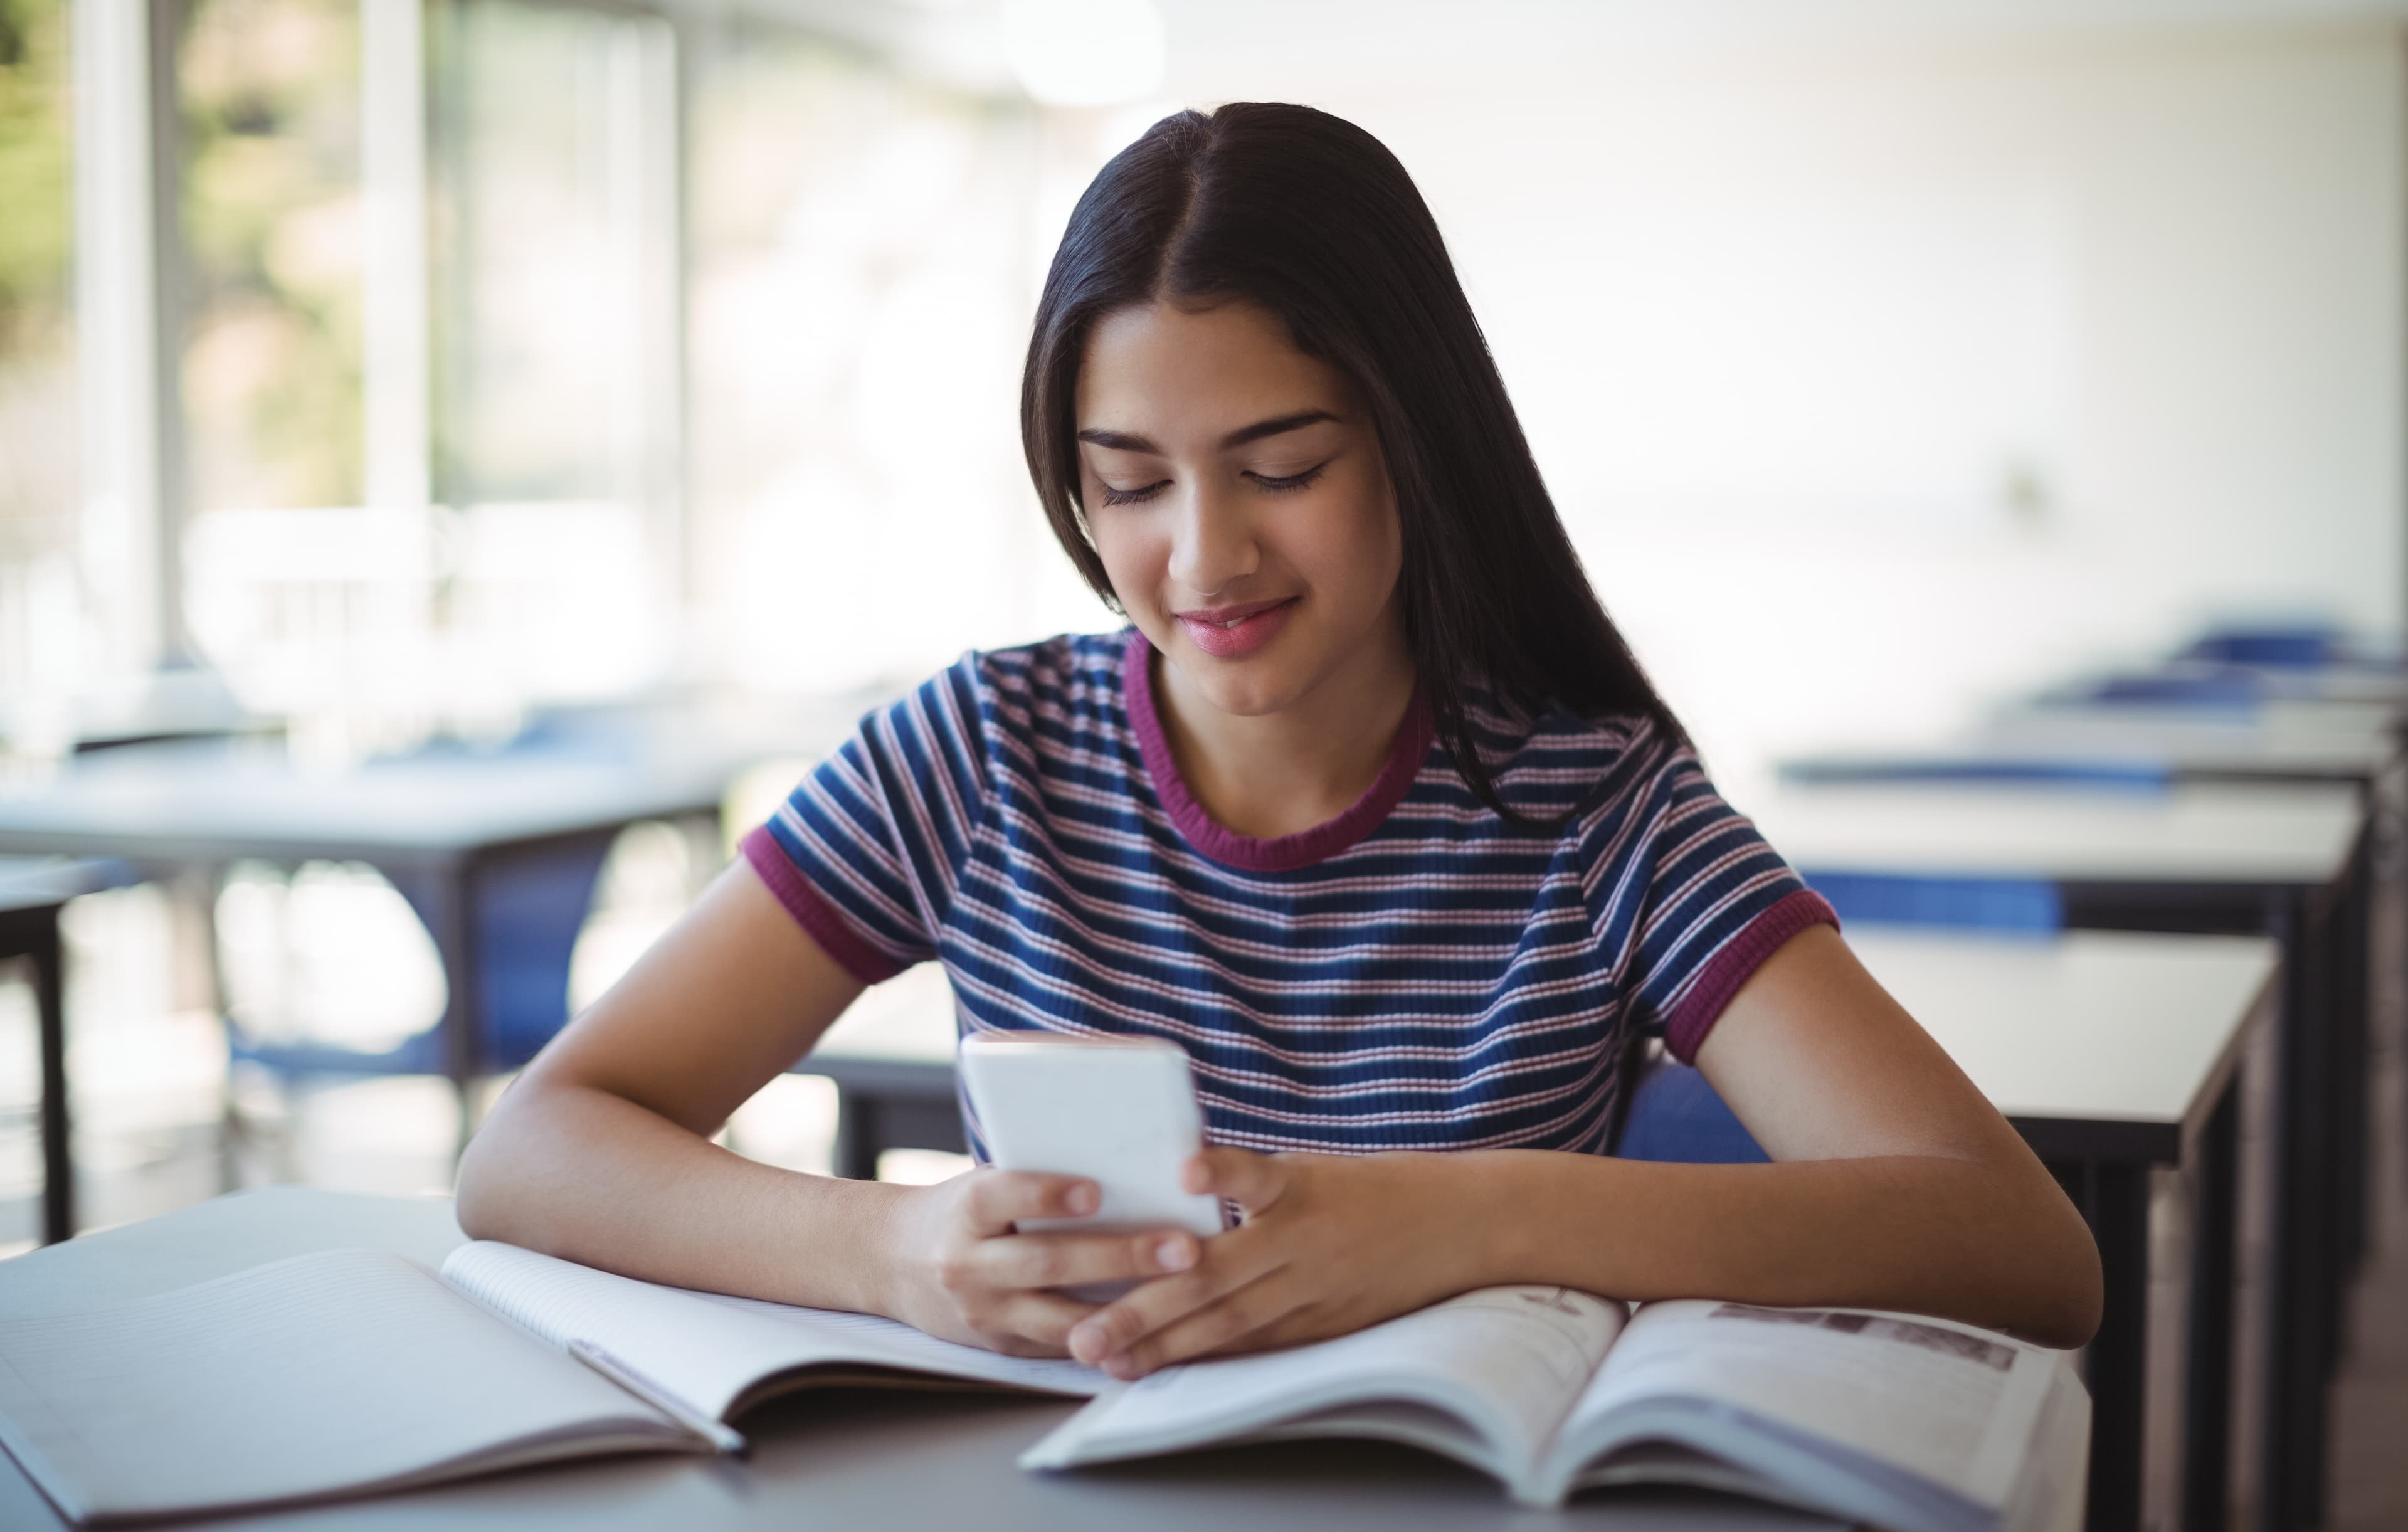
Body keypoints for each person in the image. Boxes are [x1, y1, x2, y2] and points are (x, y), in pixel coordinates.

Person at [455, 103, 2101, 1379]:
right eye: (1130, 481)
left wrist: (1470, 1217)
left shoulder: (1597, 805)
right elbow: (533, 1146)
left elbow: (2021, 1244)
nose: (1204, 558)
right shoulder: (980, 751)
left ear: (1414, 442)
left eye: (1284, 464)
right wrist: (890, 1251)